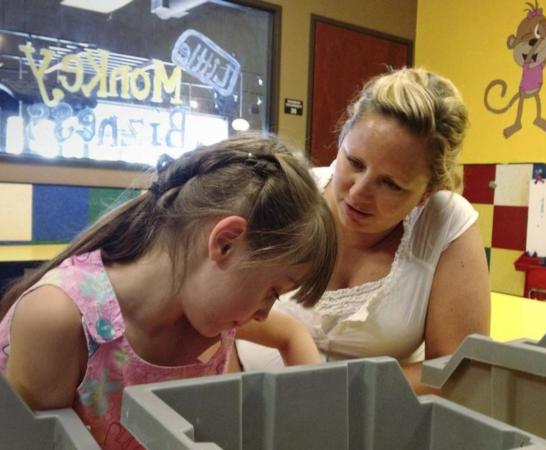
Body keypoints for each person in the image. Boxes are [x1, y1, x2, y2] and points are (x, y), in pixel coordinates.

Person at [0, 133, 336, 449]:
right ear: (225, 242)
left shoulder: (211, 314)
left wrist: (319, 425)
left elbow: (291, 333)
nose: (263, 313)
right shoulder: (58, 318)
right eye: (273, 290)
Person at [237, 67, 491, 394]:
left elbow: (460, 369)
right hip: (241, 397)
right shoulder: (285, 191)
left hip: (375, 417)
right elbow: (212, 312)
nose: (359, 192)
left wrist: (332, 394)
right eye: (354, 162)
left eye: (391, 184)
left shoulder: (445, 222)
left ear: (427, 192)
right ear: (341, 140)